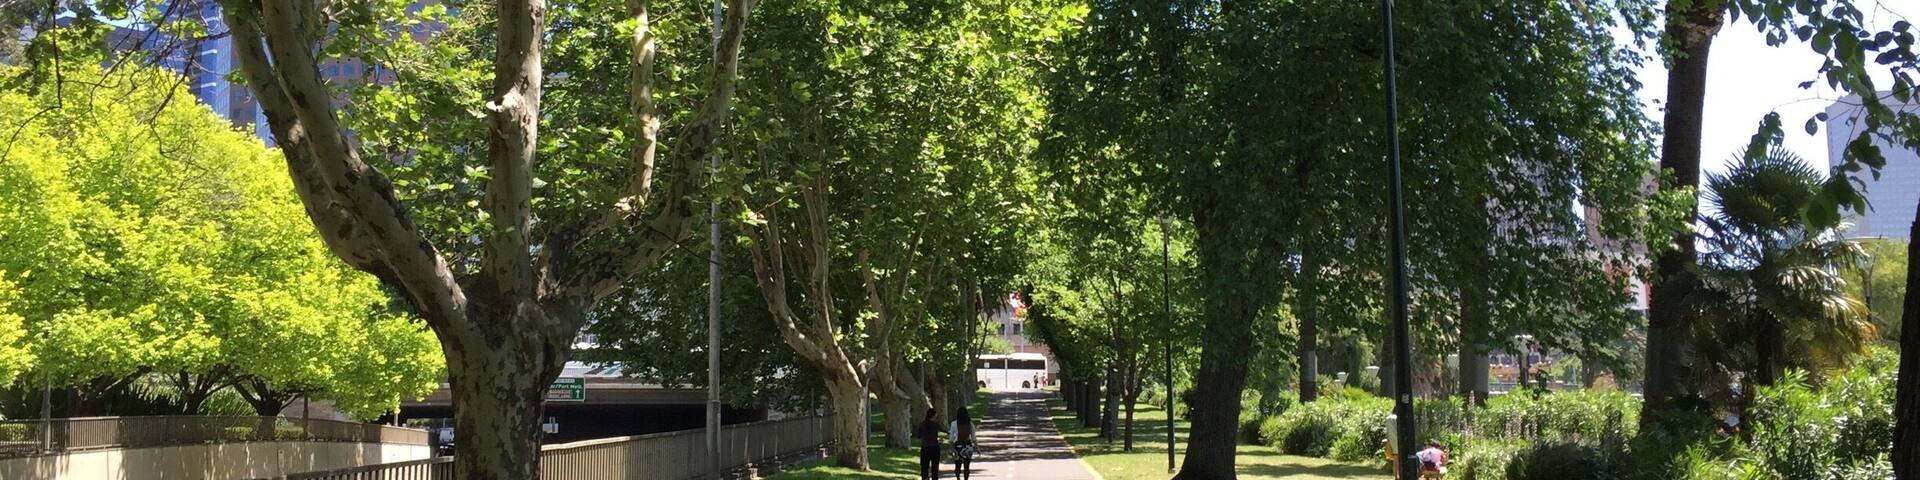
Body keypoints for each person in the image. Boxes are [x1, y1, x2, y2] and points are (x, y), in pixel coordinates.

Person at [915, 408, 943, 479]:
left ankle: (925, 478)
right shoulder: (936, 424)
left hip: (925, 447)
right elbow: (943, 430)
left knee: (924, 467)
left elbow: (918, 436)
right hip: (934, 448)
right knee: (935, 467)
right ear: (933, 415)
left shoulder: (922, 424)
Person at [949, 406, 977, 480]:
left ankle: (958, 477)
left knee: (957, 464)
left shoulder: (954, 423)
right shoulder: (970, 424)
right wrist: (977, 448)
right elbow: (973, 437)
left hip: (958, 446)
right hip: (968, 446)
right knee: (967, 466)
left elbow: (951, 438)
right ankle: (966, 478)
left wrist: (951, 448)